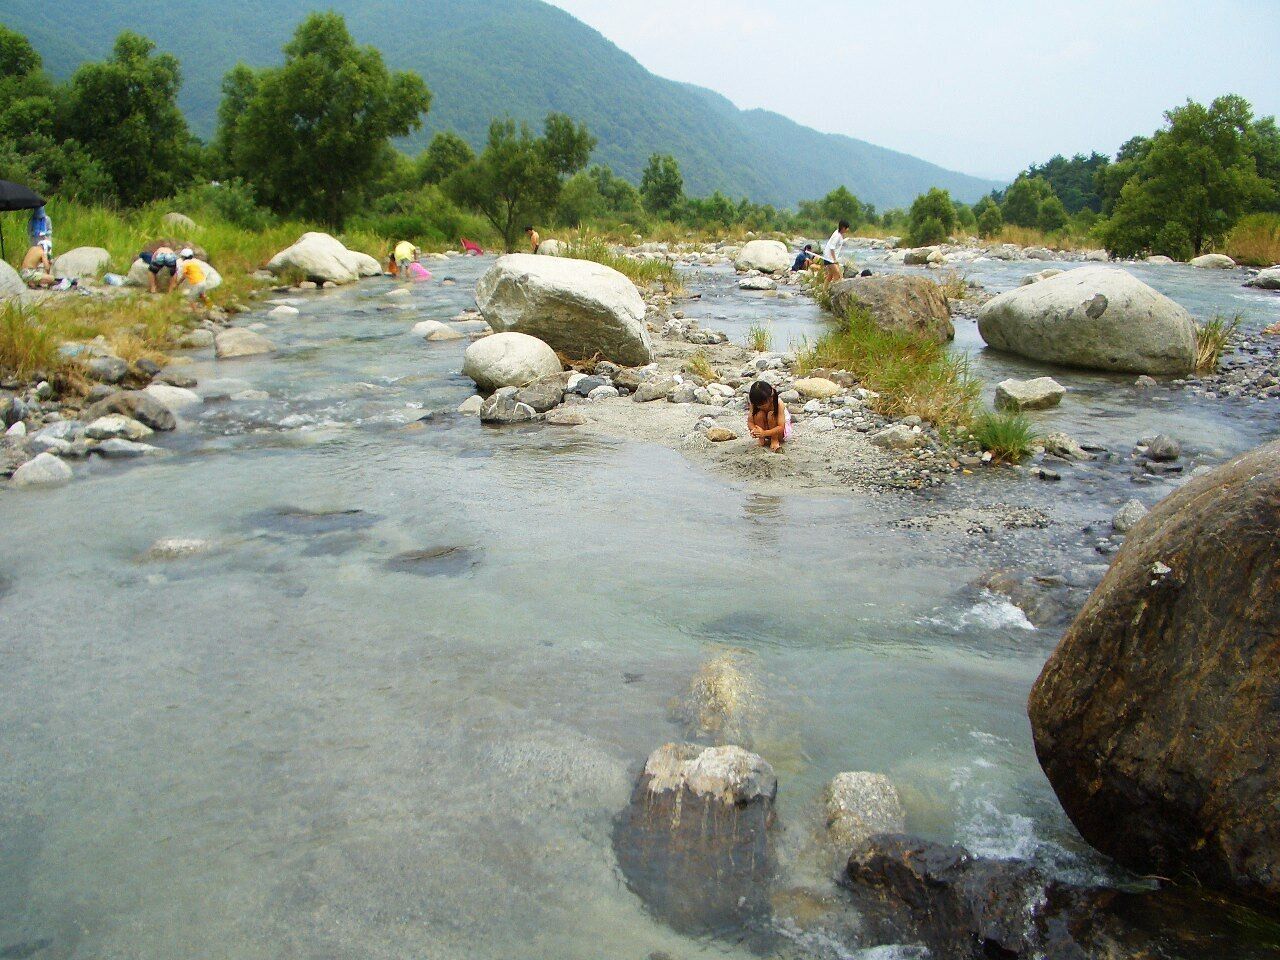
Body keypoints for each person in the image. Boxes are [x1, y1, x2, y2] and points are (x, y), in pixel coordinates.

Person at [747, 380, 792, 453]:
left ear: (770, 398)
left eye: (763, 405)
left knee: (771, 415)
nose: (761, 407)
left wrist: (764, 433)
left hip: (780, 432)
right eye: (758, 405)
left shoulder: (778, 404)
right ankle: (761, 439)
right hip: (765, 430)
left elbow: (781, 427)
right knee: (758, 414)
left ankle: (774, 440)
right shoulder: (754, 404)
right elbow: (750, 421)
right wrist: (754, 430)